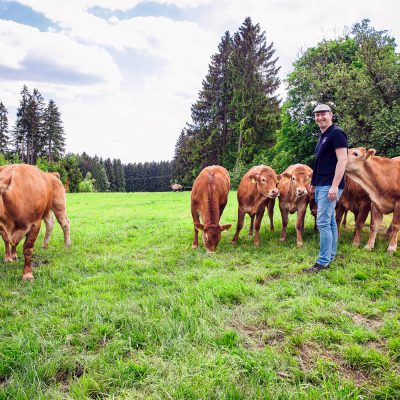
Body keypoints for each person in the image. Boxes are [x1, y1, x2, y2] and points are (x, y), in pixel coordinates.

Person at [303, 104, 348, 273]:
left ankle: (322, 262)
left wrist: (335, 186)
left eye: (323, 114)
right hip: (322, 184)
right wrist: (314, 182)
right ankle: (331, 254)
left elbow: (342, 161)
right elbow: (322, 163)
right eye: (316, 115)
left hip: (331, 185)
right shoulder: (323, 136)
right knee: (329, 221)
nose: (319, 117)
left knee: (322, 222)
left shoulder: (336, 133)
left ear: (331, 115)